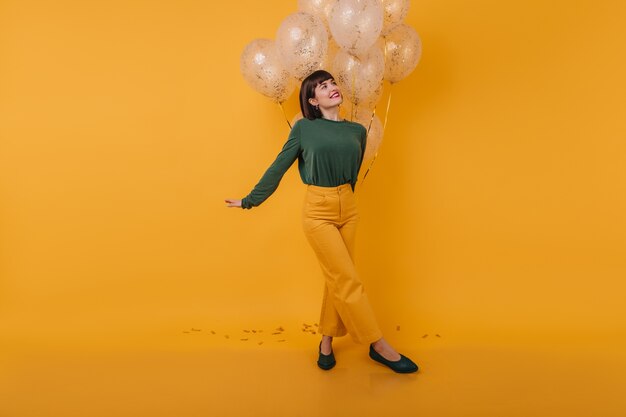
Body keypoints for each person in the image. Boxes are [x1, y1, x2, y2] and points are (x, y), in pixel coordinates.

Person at [225, 70, 418, 373]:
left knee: (337, 278)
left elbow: (352, 172)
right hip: (318, 210)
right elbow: (279, 166)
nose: (332, 88)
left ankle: (326, 341)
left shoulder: (357, 131)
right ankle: (378, 345)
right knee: (347, 279)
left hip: (349, 208)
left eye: (332, 83)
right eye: (322, 87)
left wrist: (346, 199)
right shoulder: (304, 129)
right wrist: (250, 200)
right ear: (313, 101)